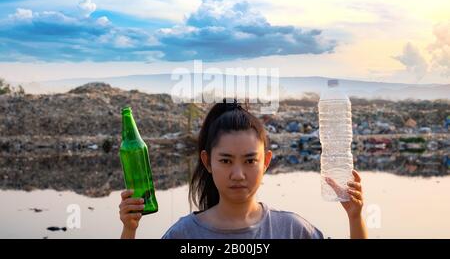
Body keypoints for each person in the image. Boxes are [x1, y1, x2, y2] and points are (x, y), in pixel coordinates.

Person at [119, 99, 368, 239]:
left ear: (266, 162)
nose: (238, 174)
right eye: (226, 160)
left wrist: (355, 217)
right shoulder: (184, 235)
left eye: (250, 161)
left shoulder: (292, 230)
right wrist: (130, 229)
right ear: (207, 162)